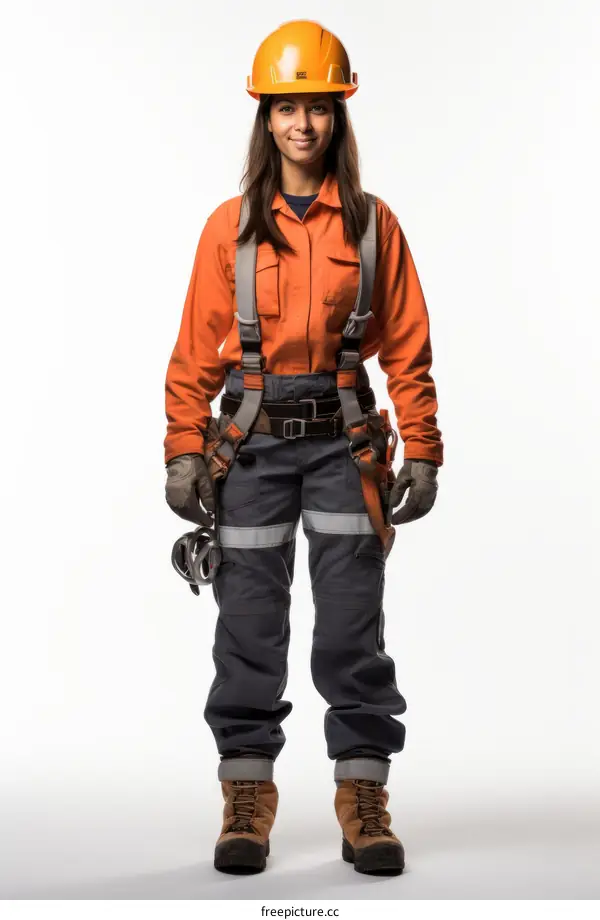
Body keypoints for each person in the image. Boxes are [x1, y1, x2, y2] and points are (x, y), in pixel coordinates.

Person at [164, 19, 443, 876]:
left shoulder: (371, 226)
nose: (302, 125)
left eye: (317, 107)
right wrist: (183, 447)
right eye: (287, 107)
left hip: (346, 446)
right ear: (266, 118)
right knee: (248, 627)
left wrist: (423, 450)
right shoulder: (229, 229)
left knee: (352, 632)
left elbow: (408, 345)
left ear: (337, 117)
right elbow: (192, 350)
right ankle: (246, 799)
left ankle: (363, 795)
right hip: (248, 449)